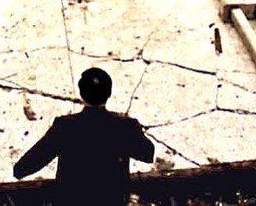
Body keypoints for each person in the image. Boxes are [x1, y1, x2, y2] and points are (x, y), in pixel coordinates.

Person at [13, 67, 154, 206]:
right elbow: (147, 154)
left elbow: (33, 160)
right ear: (109, 93)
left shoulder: (65, 126)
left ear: (82, 93)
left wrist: (19, 171)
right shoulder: (124, 126)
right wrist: (133, 129)